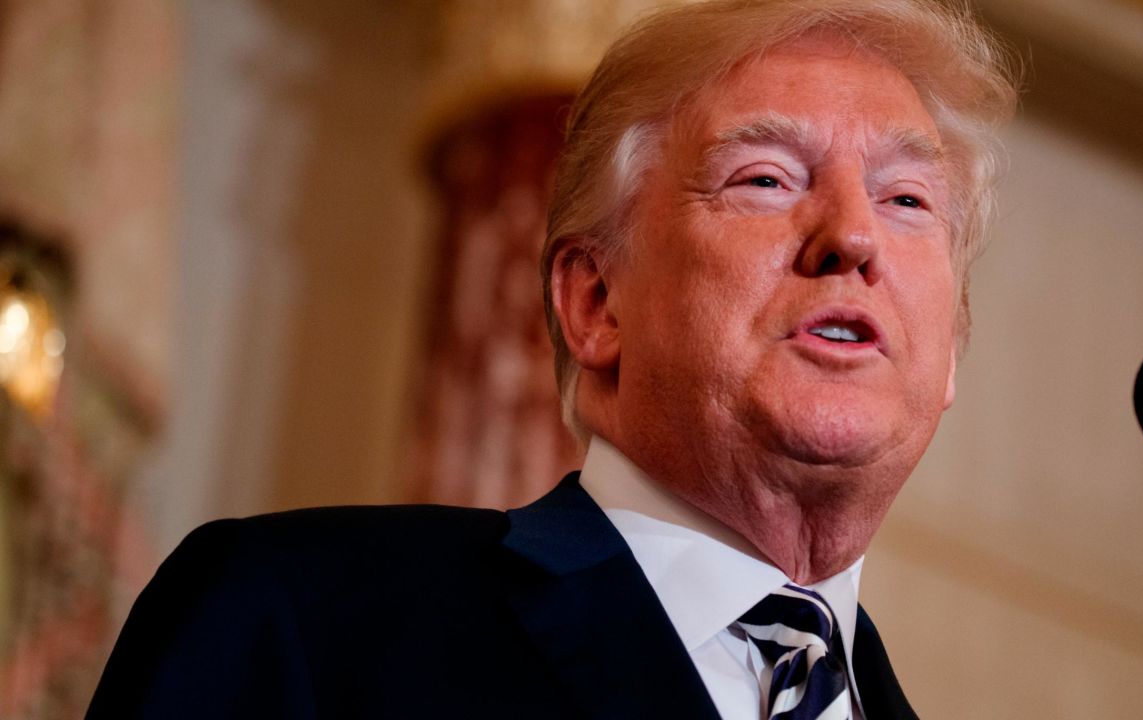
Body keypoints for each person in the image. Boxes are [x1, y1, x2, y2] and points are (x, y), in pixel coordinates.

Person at [88, 0, 1017, 718]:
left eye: (907, 201)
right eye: (766, 179)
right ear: (596, 302)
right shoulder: (294, 623)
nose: (853, 235)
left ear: (948, 365)